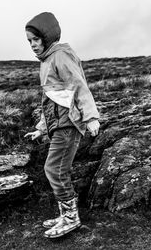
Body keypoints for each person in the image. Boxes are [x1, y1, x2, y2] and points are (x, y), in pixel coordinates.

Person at [24, 12, 100, 238]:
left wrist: (91, 116)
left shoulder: (60, 56)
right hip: (58, 125)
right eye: (29, 41)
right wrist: (41, 128)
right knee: (56, 170)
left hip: (69, 124)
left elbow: (78, 86)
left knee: (54, 170)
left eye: (36, 39)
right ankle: (66, 215)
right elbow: (52, 100)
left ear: (47, 36)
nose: (33, 45)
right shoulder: (47, 60)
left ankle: (71, 218)